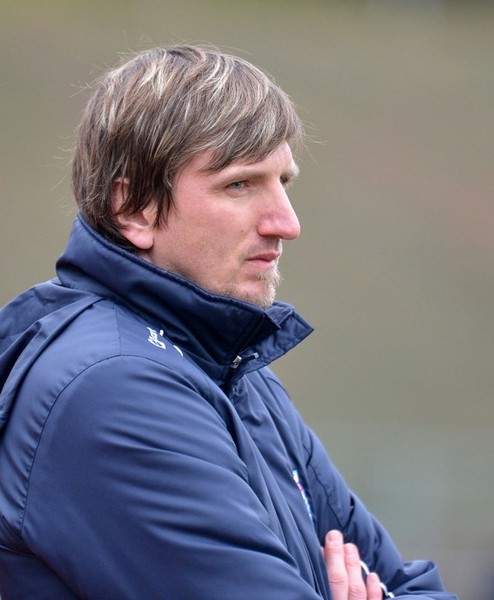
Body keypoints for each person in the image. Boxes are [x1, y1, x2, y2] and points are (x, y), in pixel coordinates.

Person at [0, 45, 456, 600]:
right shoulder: (113, 388)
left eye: (283, 182)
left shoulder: (235, 372)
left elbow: (409, 584)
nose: (286, 223)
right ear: (133, 208)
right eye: (240, 185)